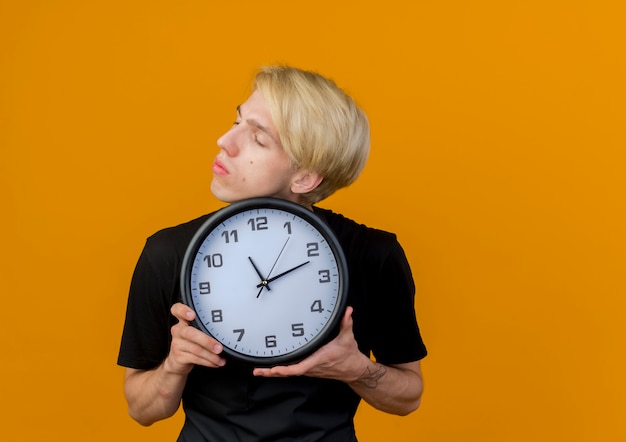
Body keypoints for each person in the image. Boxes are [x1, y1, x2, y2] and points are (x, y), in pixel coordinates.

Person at [118, 65, 428, 441]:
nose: (223, 141)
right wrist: (174, 365)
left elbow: (408, 396)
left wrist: (356, 369)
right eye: (235, 121)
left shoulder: (373, 255)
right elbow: (142, 409)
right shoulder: (168, 252)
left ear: (305, 177)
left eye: (257, 138)